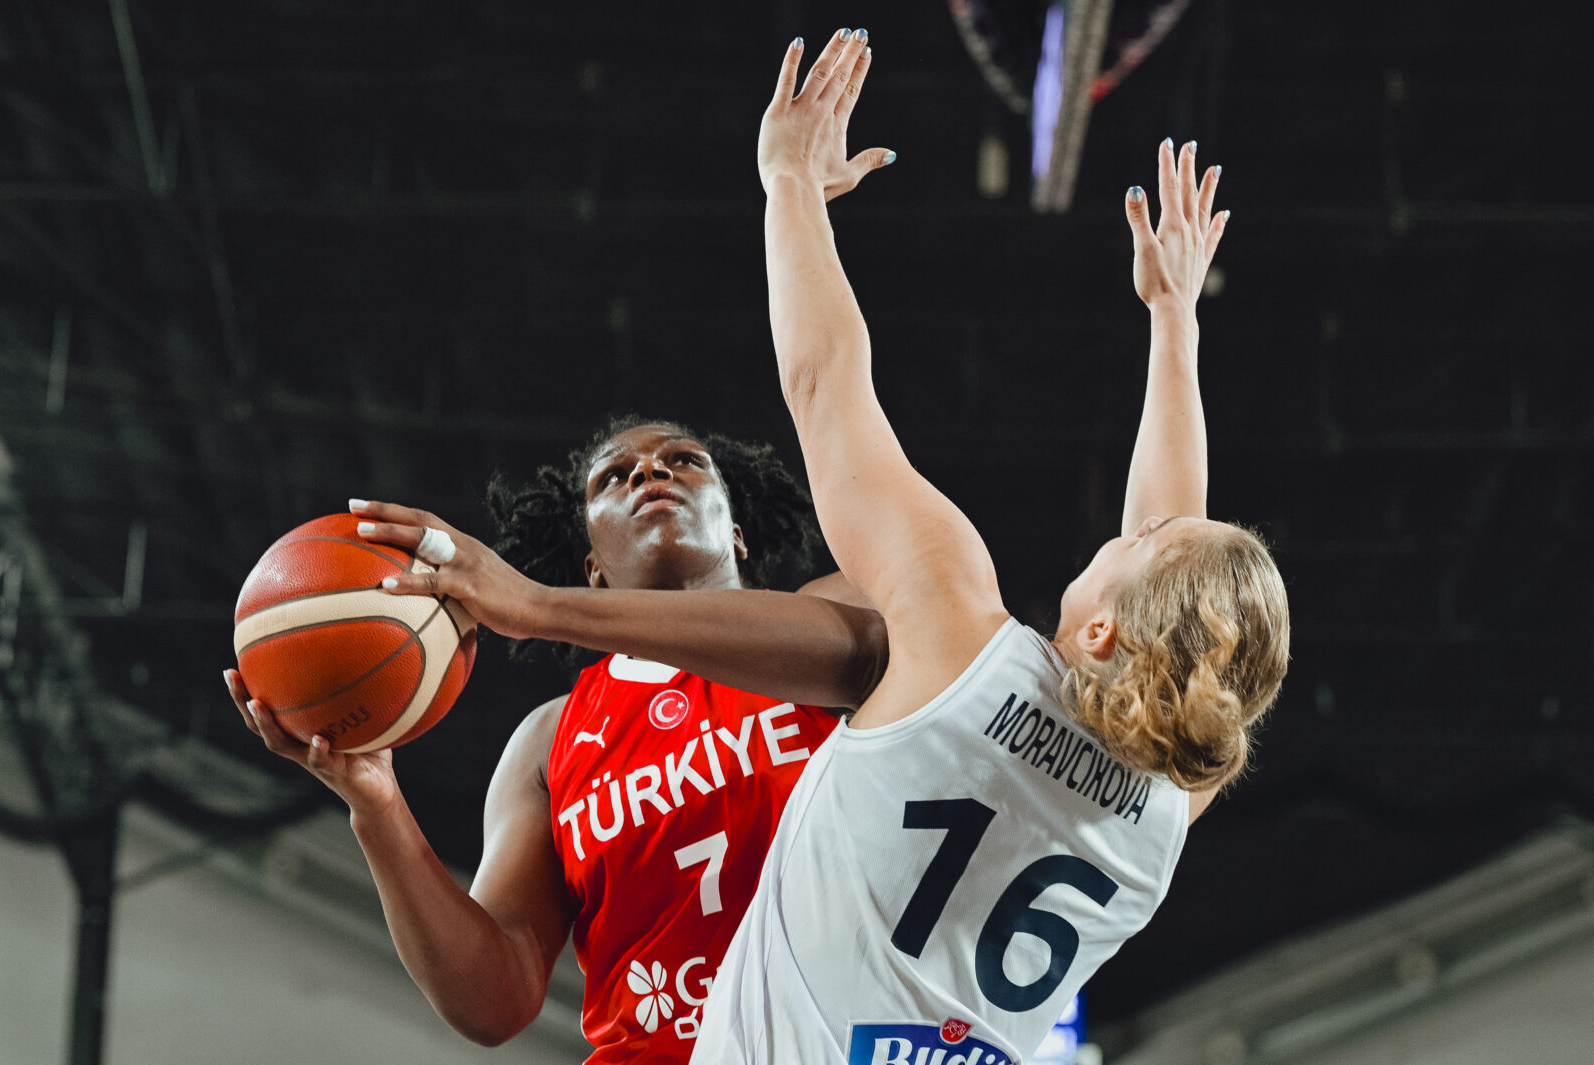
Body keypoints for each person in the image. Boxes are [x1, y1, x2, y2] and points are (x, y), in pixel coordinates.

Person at [673, 29, 1291, 1064]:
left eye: (1139, 539)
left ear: (1101, 624)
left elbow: (828, 388)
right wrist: (1171, 324)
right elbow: (1171, 585)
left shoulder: (959, 644)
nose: (1130, 527)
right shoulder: (1158, 820)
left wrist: (787, 183)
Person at [223, 414, 888, 1062]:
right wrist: (377, 808)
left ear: (737, 533)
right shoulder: (550, 739)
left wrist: (536, 605)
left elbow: (864, 652)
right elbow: (494, 1001)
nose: (651, 469)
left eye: (685, 460)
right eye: (614, 476)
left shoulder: (843, 612)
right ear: (594, 567)